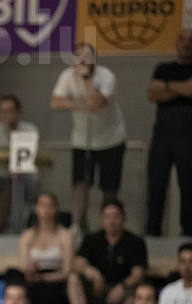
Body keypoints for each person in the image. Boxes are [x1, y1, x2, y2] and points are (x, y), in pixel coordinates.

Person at [51, 42, 127, 230]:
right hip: (82, 139)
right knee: (80, 184)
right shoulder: (67, 76)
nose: (82, 61)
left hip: (111, 139)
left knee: (109, 188)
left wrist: (86, 79)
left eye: (87, 57)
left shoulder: (106, 76)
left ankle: (108, 226)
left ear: (95, 59)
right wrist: (81, 104)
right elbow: (56, 102)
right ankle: (76, 226)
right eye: (79, 57)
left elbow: (97, 103)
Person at [146, 29, 192, 237]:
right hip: (162, 136)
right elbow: (152, 94)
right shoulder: (163, 68)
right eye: (182, 39)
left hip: (189, 137)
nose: (186, 44)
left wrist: (167, 87)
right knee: (156, 185)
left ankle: (188, 234)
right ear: (176, 43)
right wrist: (182, 88)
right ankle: (152, 232)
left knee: (189, 185)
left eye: (191, 40)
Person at [67, 199, 147, 304]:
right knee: (73, 278)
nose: (111, 221)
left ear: (123, 218)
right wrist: (89, 271)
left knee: (134, 296)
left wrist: (122, 286)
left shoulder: (135, 242)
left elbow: (138, 274)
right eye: (107, 216)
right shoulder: (91, 239)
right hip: (96, 288)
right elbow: (78, 262)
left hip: (121, 288)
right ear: (102, 219)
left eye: (115, 216)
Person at [0, 94, 40, 234]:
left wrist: (10, 130)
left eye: (9, 111)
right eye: (2, 111)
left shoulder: (29, 128)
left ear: (18, 113)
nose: (5, 115)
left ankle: (1, 226)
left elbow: (26, 152)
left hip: (23, 177)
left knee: (10, 187)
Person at [17, 193, 74, 304]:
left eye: (49, 206)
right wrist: (30, 270)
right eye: (42, 205)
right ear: (36, 208)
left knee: (44, 292)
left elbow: (67, 271)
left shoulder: (65, 235)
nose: (46, 210)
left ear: (56, 209)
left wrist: (42, 278)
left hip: (55, 280)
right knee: (13, 275)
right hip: (32, 277)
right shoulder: (27, 235)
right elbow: (22, 267)